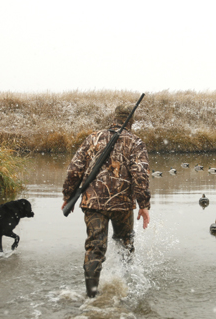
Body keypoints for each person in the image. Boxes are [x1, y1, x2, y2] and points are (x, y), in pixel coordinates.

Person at [62, 103, 151, 298]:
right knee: (126, 243)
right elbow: (141, 174)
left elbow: (74, 169)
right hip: (122, 204)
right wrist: (144, 205)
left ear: (113, 118)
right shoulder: (135, 142)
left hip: (93, 204)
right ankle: (127, 287)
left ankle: (91, 297)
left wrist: (68, 196)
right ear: (131, 121)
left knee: (95, 248)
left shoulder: (93, 138)